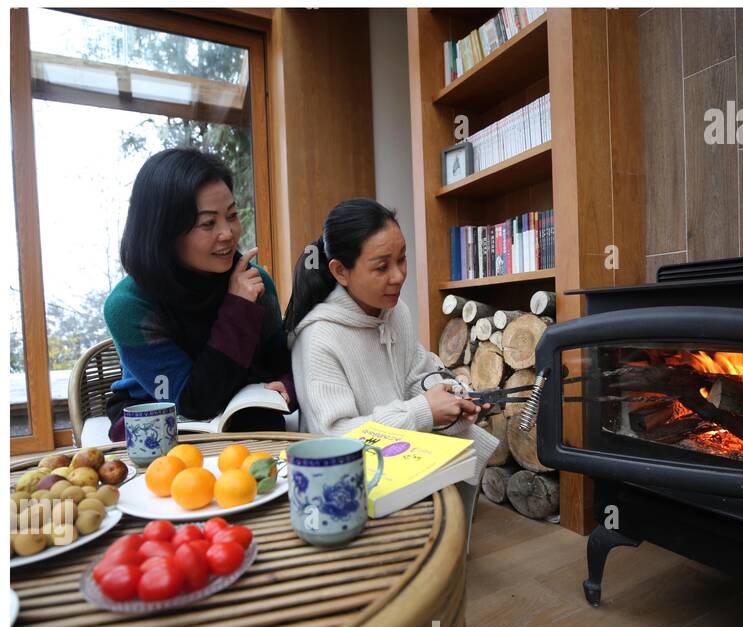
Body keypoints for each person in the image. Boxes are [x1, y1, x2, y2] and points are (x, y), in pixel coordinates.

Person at [284, 198, 501, 535]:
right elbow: (334, 436)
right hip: (346, 480)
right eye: (381, 267)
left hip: (400, 450)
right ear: (341, 271)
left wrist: (452, 395)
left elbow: (416, 376)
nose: (399, 276)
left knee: (465, 438)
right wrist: (422, 412)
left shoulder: (394, 313)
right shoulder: (317, 338)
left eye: (402, 260)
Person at [102, 149, 294, 442]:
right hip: (156, 416)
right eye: (208, 223)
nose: (228, 233)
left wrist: (287, 385)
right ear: (164, 231)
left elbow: (283, 364)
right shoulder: (129, 305)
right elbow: (194, 402)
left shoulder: (254, 283)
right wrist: (238, 307)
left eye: (232, 215)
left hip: (240, 411)